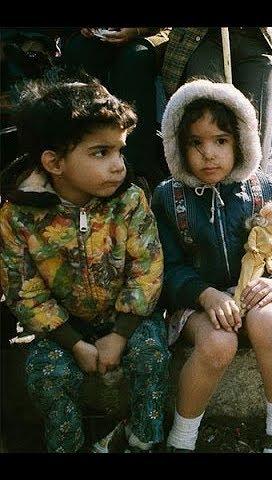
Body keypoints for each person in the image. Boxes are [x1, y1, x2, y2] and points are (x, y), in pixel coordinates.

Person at [0, 78, 170, 453]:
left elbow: (148, 267)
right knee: (46, 374)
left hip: (128, 318)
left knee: (152, 354)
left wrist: (121, 333)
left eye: (120, 151)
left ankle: (143, 438)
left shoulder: (129, 202)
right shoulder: (19, 215)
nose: (117, 166)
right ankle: (69, 445)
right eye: (100, 153)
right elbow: (22, 288)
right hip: (63, 327)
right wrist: (74, 343)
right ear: (54, 162)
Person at [151, 79, 272, 453]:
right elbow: (165, 267)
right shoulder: (167, 197)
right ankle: (182, 439)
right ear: (177, 145)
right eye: (196, 143)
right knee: (219, 345)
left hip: (255, 292)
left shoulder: (266, 191)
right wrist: (204, 295)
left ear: (241, 141)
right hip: (197, 300)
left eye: (220, 141)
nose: (209, 155)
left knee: (268, 323)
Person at [161, 27, 272, 167]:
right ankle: (204, 184)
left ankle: (252, 184)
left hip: (255, 37)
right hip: (203, 38)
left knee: (254, 132)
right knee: (206, 116)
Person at [63, 27, 171, 191]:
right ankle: (80, 156)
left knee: (134, 58)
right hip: (104, 34)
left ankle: (137, 167)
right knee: (80, 50)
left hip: (152, 33)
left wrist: (136, 30)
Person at [234, 199, 272, 317]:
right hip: (251, 257)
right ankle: (237, 304)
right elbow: (251, 240)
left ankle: (244, 307)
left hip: (261, 263)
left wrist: (270, 264)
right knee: (244, 281)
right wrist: (253, 248)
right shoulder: (258, 229)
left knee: (253, 285)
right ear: (267, 215)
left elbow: (270, 256)